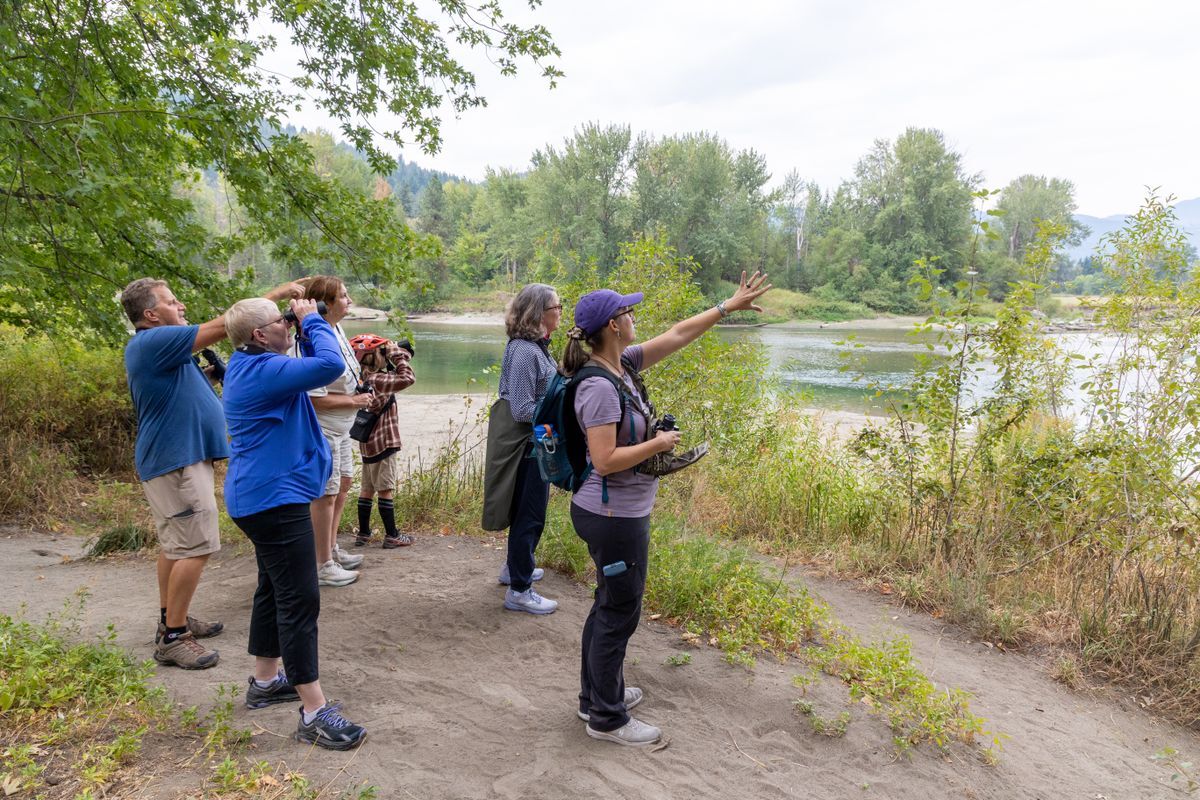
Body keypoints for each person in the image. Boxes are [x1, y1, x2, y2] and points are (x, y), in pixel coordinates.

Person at [565, 272, 770, 746]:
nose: (635, 316)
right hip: (612, 517)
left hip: (619, 513)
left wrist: (727, 307)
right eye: (628, 311)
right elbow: (603, 460)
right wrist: (658, 441)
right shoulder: (597, 385)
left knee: (607, 606)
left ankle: (595, 696)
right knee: (619, 612)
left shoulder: (625, 365)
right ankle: (607, 719)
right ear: (613, 326)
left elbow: (678, 333)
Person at [120, 277, 302, 670]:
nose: (181, 305)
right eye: (171, 301)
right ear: (150, 314)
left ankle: (172, 619)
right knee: (195, 547)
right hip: (176, 461)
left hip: (178, 459)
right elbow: (226, 325)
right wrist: (272, 300)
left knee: (175, 546)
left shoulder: (160, 347)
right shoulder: (152, 341)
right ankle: (173, 638)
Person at [221, 296, 368, 750]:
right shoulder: (264, 370)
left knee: (273, 588)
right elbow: (330, 367)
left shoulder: (253, 364)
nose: (288, 324)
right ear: (260, 335)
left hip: (261, 496)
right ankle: (313, 712)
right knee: (300, 599)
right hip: (273, 501)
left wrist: (303, 324)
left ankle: (266, 682)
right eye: (281, 320)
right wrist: (313, 320)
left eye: (290, 317)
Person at [482, 284, 563, 614]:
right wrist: (560, 415)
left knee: (528, 510)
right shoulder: (526, 351)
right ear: (539, 313)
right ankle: (519, 589)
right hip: (528, 444)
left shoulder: (537, 347)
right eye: (556, 306)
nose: (560, 311)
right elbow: (520, 409)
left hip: (539, 438)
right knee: (529, 513)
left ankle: (517, 566)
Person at [290, 276, 372, 587]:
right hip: (323, 428)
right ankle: (321, 563)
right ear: (325, 303)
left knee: (344, 484)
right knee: (325, 493)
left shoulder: (333, 330)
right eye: (343, 296)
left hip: (343, 427)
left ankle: (331, 547)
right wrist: (354, 399)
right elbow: (313, 398)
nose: (349, 300)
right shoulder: (309, 339)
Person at [349, 334, 416, 548]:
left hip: (367, 442)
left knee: (367, 488)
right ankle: (392, 534)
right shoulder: (378, 380)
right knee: (385, 488)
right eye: (382, 352)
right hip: (384, 441)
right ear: (375, 357)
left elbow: (397, 374)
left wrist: (398, 355)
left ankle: (364, 533)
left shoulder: (362, 377)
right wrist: (396, 354)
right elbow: (407, 378)